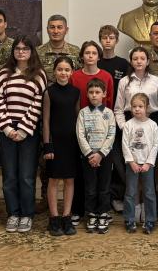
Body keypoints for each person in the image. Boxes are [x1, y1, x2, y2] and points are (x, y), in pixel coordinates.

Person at [0, 35, 47, 234]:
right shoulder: (4, 73)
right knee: (9, 176)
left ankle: (26, 214)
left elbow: (38, 102)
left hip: (28, 131)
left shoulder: (38, 74)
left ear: (31, 52)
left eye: (25, 49)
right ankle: (13, 213)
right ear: (13, 51)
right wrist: (8, 128)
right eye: (18, 48)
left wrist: (23, 129)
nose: (21, 52)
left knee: (26, 176)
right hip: (6, 129)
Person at [114, 46, 158, 224]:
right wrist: (124, 127)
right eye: (135, 58)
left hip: (151, 125)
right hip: (130, 125)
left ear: (148, 61)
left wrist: (157, 129)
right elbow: (118, 109)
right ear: (131, 61)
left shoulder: (156, 81)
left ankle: (148, 210)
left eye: (142, 58)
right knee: (132, 170)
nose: (139, 61)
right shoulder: (124, 82)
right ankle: (135, 209)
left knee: (148, 169)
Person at [36, 14, 80, 213]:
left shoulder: (75, 52)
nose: (55, 31)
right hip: (46, 106)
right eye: (52, 27)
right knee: (46, 160)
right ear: (47, 29)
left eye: (59, 27)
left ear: (66, 30)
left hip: (68, 107)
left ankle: (70, 207)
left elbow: (78, 78)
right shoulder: (38, 53)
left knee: (70, 167)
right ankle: (46, 198)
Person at [42, 56, 80, 237]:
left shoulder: (76, 92)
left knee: (70, 180)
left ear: (71, 72)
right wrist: (47, 145)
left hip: (72, 143)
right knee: (54, 179)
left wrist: (80, 143)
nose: (63, 73)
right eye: (60, 69)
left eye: (67, 70)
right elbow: (46, 120)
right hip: (55, 143)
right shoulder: (49, 92)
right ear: (54, 71)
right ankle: (54, 217)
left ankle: (66, 216)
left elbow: (78, 118)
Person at [98, 25, 131, 213]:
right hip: (98, 119)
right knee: (100, 159)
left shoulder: (123, 64)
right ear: (100, 40)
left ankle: (117, 195)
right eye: (104, 37)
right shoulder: (96, 61)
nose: (108, 41)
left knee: (119, 160)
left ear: (117, 40)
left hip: (117, 118)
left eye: (111, 37)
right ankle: (101, 196)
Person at [77, 78, 116, 235]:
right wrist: (90, 154)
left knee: (104, 187)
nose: (94, 95)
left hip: (105, 155)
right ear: (87, 94)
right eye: (91, 92)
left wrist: (100, 154)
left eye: (97, 92)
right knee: (90, 187)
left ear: (104, 94)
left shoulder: (109, 113)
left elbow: (111, 135)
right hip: (88, 157)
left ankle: (103, 214)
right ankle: (92, 214)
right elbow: (80, 135)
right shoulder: (83, 113)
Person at [122, 93, 158, 234]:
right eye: (134, 106)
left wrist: (148, 163)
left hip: (147, 165)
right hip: (132, 164)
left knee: (149, 193)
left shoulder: (152, 125)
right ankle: (129, 218)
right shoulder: (128, 125)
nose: (137, 109)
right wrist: (131, 162)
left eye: (140, 106)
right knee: (130, 192)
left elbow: (155, 145)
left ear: (147, 108)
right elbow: (125, 145)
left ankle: (150, 219)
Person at [71, 41, 114, 109]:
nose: (90, 56)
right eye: (87, 53)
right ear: (82, 56)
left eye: (94, 53)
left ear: (98, 57)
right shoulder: (74, 76)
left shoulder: (107, 77)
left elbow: (109, 102)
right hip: (79, 115)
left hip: (102, 115)